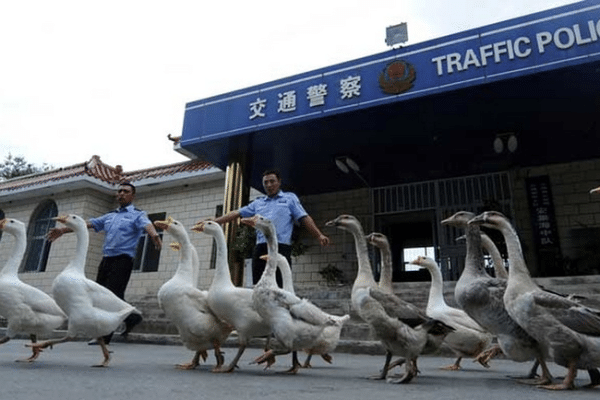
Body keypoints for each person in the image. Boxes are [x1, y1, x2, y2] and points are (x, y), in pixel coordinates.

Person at [47, 182, 162, 343]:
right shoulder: (110, 216)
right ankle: (132, 318)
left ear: (132, 196)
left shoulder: (138, 214)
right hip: (106, 260)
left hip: (123, 260)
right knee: (104, 295)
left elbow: (147, 224)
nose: (121, 193)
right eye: (119, 191)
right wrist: (63, 230)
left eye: (125, 191)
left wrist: (154, 235)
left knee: (112, 293)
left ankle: (103, 337)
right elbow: (84, 225)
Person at [207, 169, 329, 285]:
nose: (269, 185)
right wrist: (216, 221)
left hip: (280, 248)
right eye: (266, 182)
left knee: (280, 284)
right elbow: (236, 213)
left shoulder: (289, 199)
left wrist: (319, 235)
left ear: (279, 182)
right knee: (259, 284)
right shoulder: (258, 203)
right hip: (261, 248)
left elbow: (304, 217)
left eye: (272, 181)